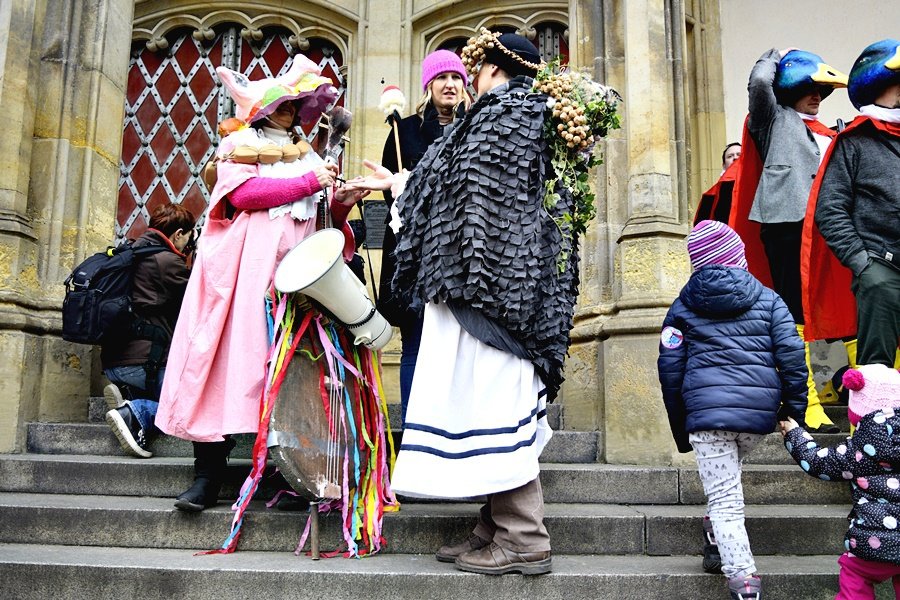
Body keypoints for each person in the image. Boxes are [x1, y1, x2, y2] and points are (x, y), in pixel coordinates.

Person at [347, 31, 596, 575]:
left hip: (488, 295)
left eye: (473, 68)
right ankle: (494, 524)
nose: (467, 78)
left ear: (491, 69)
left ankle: (523, 537)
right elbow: (468, 189)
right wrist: (403, 183)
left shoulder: (503, 115)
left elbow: (472, 201)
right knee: (486, 401)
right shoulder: (522, 116)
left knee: (492, 404)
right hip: (497, 291)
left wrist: (410, 191)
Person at [154, 55, 366, 512]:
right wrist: (310, 180)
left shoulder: (309, 153)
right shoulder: (240, 145)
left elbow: (322, 221)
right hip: (241, 283)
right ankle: (207, 476)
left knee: (290, 373)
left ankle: (286, 473)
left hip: (296, 288)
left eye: (298, 103)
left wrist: (342, 203)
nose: (292, 109)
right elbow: (243, 195)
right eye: (285, 102)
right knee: (228, 367)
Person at [658, 220, 808, 600]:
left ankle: (743, 580)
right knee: (726, 477)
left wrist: (682, 426)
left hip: (706, 417)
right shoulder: (769, 299)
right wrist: (793, 410)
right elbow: (792, 357)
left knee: (726, 498)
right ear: (738, 257)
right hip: (756, 416)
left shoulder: (681, 306)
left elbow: (670, 370)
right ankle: (714, 535)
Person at [730, 47, 848, 433]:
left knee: (825, 308)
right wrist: (772, 58)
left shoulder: (832, 131)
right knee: (794, 311)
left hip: (828, 226)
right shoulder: (771, 119)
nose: (817, 95)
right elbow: (761, 83)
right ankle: (803, 399)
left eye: (822, 90)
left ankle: (829, 388)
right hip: (786, 225)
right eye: (809, 87)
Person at [377, 49, 470, 424]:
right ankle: (415, 428)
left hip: (463, 253)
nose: (450, 85)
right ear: (428, 86)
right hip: (415, 254)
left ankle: (455, 428)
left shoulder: (476, 127)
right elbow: (389, 190)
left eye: (457, 78)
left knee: (462, 345)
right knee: (415, 340)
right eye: (442, 78)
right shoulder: (404, 131)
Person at [806, 39, 900, 369]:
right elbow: (830, 209)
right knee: (877, 366)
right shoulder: (854, 142)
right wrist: (864, 264)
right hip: (880, 267)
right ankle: (874, 421)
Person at [782, 363, 900, 599]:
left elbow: (818, 462)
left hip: (873, 541)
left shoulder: (859, 448)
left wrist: (795, 434)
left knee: (857, 575)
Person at [101, 203, 195, 458]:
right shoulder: (165, 261)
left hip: (116, 362)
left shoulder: (132, 252)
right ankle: (137, 411)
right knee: (193, 403)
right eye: (188, 237)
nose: (188, 245)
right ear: (178, 234)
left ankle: (129, 395)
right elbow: (200, 298)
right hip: (146, 364)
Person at [693, 142, 742, 225]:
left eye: (739, 154)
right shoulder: (710, 196)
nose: (735, 158)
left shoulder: (760, 186)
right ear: (723, 165)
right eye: (730, 156)